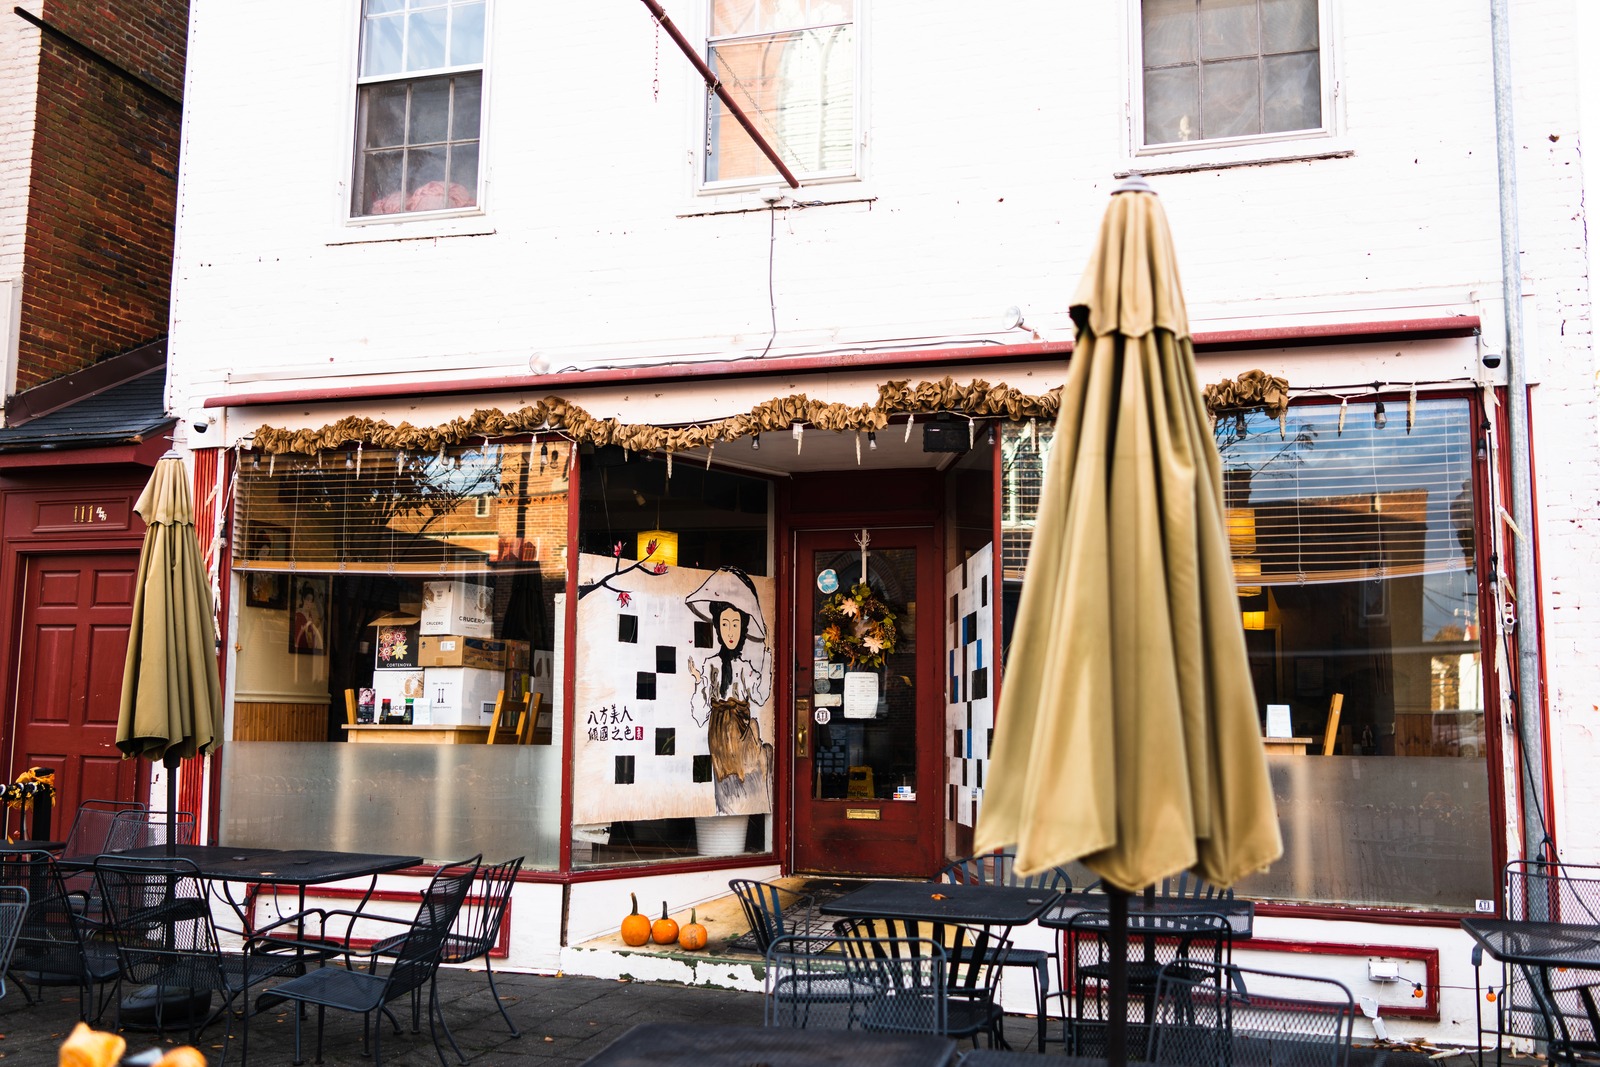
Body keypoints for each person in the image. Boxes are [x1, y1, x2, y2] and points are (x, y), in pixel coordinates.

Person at [685, 568, 772, 815]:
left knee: (748, 790)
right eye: (724, 624)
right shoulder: (710, 666)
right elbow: (698, 713)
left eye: (735, 624)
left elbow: (761, 695)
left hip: (744, 742)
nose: (730, 631)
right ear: (717, 628)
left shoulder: (745, 668)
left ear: (743, 628)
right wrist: (698, 680)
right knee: (725, 796)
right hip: (720, 744)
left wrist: (767, 657)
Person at [291, 582, 324, 653]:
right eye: (308, 600)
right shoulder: (298, 614)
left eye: (311, 601)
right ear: (303, 599)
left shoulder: (310, 615)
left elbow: (321, 615)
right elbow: (297, 635)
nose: (309, 603)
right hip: (301, 648)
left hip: (309, 649)